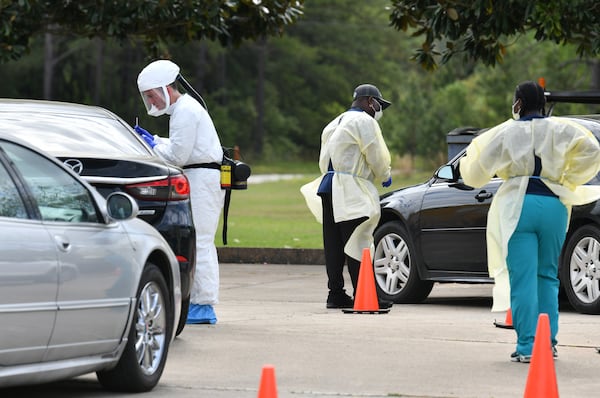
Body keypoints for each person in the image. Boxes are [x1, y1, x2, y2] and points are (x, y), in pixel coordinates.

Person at [459, 81, 600, 362]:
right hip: (553, 204)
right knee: (548, 276)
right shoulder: (563, 128)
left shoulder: (504, 132)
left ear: (519, 103)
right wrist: (567, 178)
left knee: (522, 279)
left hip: (517, 206)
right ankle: (549, 344)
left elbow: (474, 173)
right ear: (544, 105)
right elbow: (593, 151)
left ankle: (527, 347)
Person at [135, 59, 225, 324]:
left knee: (201, 241)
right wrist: (155, 140)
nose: (151, 102)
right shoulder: (185, 109)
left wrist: (150, 145)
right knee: (200, 240)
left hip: (201, 178)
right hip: (199, 176)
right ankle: (199, 302)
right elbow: (181, 147)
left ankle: (204, 305)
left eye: (152, 96)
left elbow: (177, 155)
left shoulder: (185, 111)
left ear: (165, 89)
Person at [301, 83, 393, 309]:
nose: (379, 110)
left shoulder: (334, 122)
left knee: (333, 243)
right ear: (369, 101)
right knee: (358, 238)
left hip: (327, 185)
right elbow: (375, 152)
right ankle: (365, 294)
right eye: (379, 105)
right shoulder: (365, 121)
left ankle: (335, 294)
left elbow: (324, 157)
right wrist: (384, 174)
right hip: (350, 187)